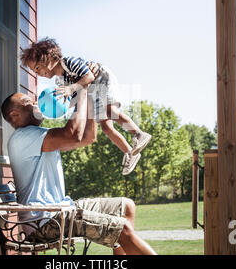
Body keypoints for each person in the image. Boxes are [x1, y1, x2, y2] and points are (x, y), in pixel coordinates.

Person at [1, 88, 156, 255]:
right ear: (14, 115)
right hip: (44, 223)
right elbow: (73, 134)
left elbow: (88, 137)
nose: (35, 103)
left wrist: (89, 100)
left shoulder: (40, 135)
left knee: (126, 206)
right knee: (122, 228)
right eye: (28, 102)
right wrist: (80, 93)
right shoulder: (23, 137)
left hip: (61, 210)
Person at [20, 38, 152, 176]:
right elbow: (72, 99)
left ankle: (138, 133)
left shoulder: (69, 62)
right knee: (107, 128)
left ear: (49, 58)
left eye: (37, 68)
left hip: (102, 79)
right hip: (92, 92)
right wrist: (48, 105)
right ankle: (130, 153)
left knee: (110, 111)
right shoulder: (60, 80)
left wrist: (71, 88)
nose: (37, 73)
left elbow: (88, 77)